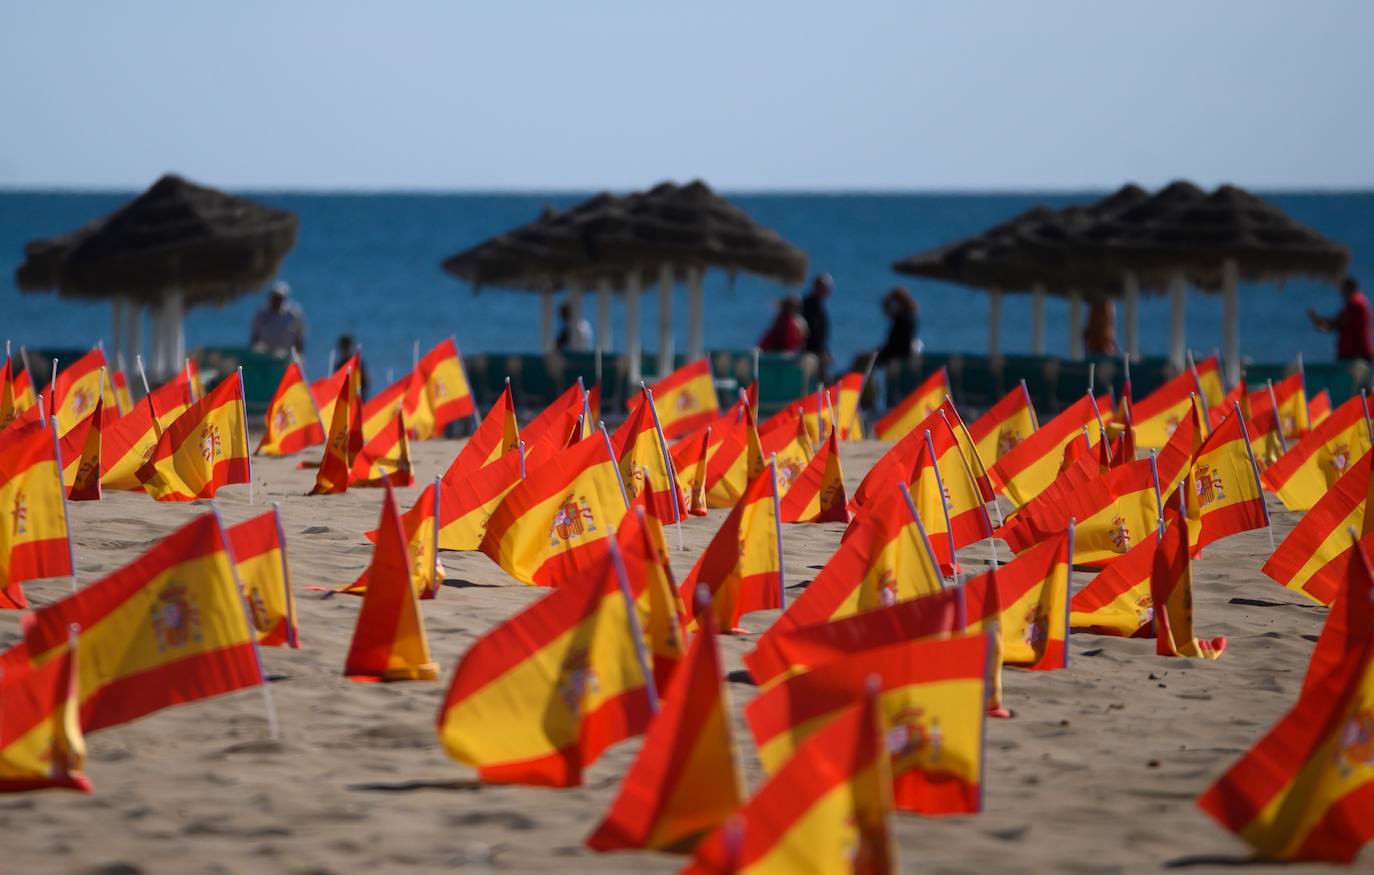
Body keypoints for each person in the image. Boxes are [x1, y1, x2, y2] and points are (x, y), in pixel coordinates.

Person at [1309, 276, 1373, 363]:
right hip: (1358, 352)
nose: (1341, 292)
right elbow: (1337, 324)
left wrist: (1317, 320)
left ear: (1349, 288)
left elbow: (1336, 323)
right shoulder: (1362, 301)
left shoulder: (1355, 303)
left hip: (1354, 354)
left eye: (1343, 289)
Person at [250, 280, 306, 357]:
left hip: (286, 356)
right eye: (274, 297)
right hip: (265, 355)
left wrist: (300, 356)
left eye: (279, 297)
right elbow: (255, 336)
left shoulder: (293, 315)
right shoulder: (262, 314)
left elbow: (299, 338)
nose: (276, 300)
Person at [874, 286, 919, 366]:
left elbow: (896, 345)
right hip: (899, 356)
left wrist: (876, 354)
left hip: (898, 358)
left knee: (866, 360)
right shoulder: (907, 318)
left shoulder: (903, 320)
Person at [801, 273, 834, 382]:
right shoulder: (809, 305)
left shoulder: (816, 305)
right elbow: (812, 333)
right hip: (810, 354)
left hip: (816, 352)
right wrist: (822, 353)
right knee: (825, 383)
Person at [335, 334, 369, 399]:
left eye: (347, 347)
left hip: (358, 398)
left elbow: (366, 383)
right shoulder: (339, 366)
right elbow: (335, 385)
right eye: (343, 348)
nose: (345, 351)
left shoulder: (358, 364)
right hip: (343, 399)